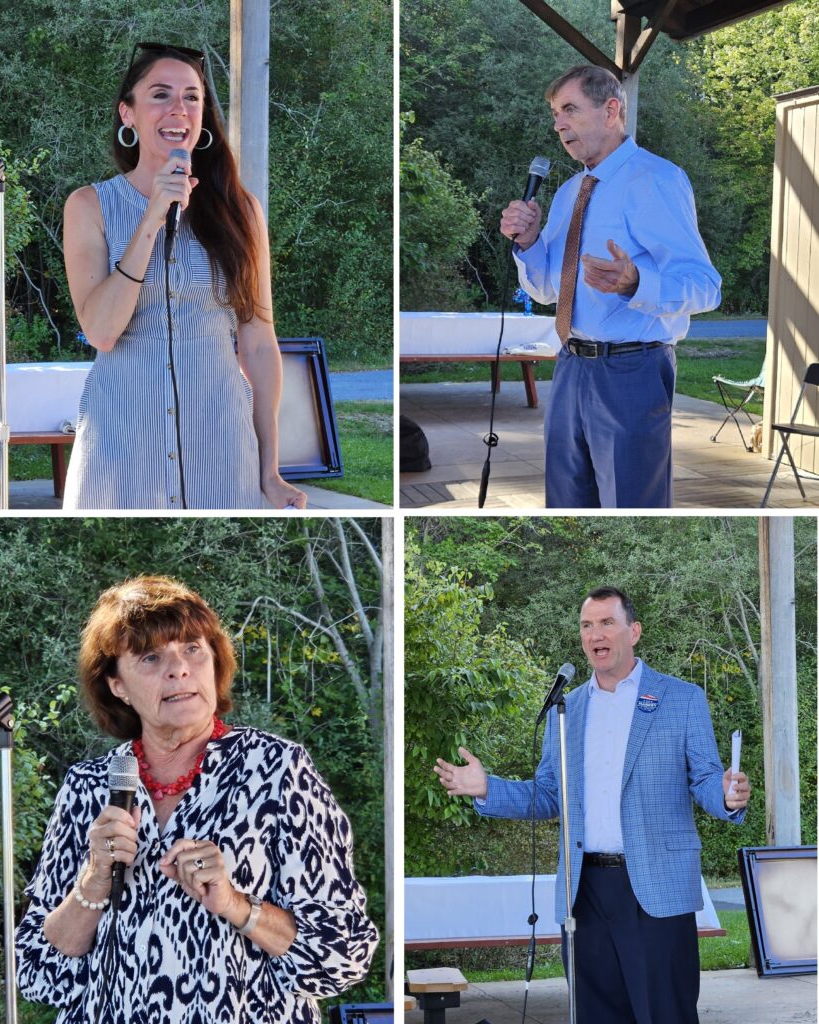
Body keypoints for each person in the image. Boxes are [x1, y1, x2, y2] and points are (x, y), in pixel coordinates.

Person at [16, 575, 377, 1023]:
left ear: (214, 663)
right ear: (117, 685)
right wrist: (93, 881)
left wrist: (235, 905)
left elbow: (342, 953)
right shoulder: (88, 785)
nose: (179, 669)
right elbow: (37, 973)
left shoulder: (279, 770)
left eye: (192, 649)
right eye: (150, 657)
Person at [435, 586, 750, 1024]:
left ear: (633, 631)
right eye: (587, 625)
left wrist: (726, 795)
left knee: (666, 1014)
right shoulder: (568, 708)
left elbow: (704, 779)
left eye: (606, 623)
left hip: (654, 888)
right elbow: (549, 795)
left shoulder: (681, 698)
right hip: (584, 892)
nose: (594, 634)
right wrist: (488, 788)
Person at [62, 42, 307, 510]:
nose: (179, 108)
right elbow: (101, 331)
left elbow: (257, 341)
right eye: (160, 94)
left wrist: (270, 470)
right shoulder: (88, 206)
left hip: (222, 439)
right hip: (121, 440)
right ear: (127, 113)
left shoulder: (241, 210)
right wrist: (152, 217)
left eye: (192, 97)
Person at [500, 65, 722, 509]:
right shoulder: (568, 192)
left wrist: (637, 281)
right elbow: (549, 290)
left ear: (611, 110)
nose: (558, 123)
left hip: (631, 370)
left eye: (569, 109)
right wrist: (526, 243)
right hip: (569, 367)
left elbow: (706, 286)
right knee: (565, 502)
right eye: (554, 114)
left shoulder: (656, 179)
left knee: (631, 502)